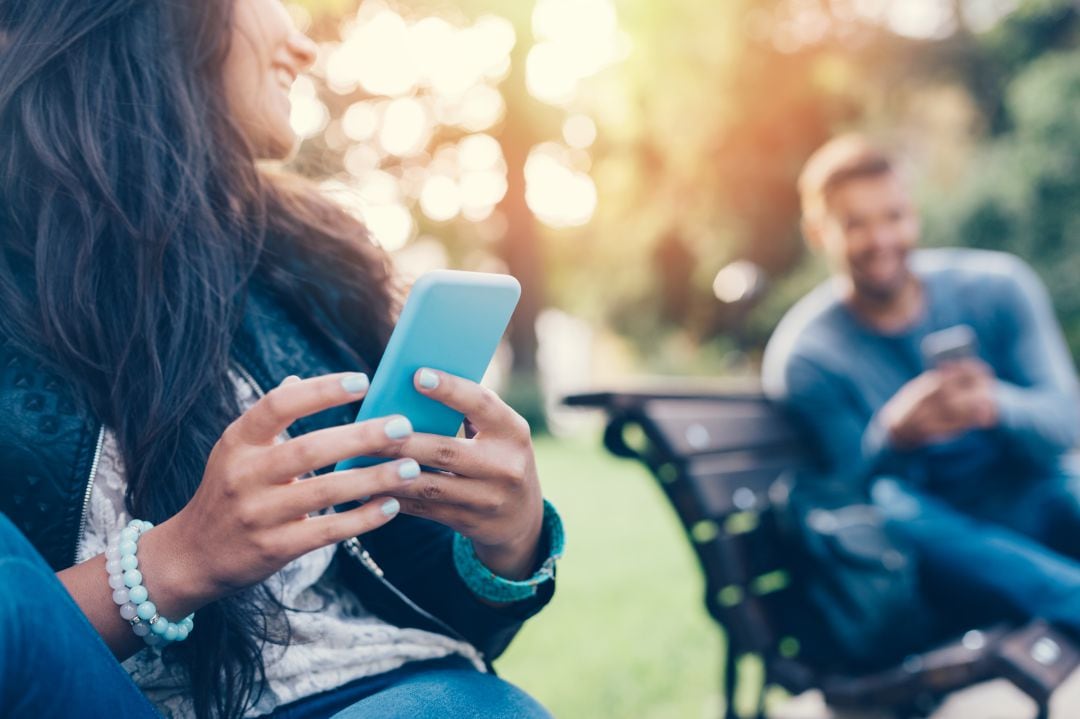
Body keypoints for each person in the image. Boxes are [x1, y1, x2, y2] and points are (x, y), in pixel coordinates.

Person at [0, 1, 563, 718]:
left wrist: (507, 541)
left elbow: (441, 610)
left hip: (384, 690)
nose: (304, 45)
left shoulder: (311, 265)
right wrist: (176, 561)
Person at [762, 134, 1080, 641]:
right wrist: (893, 434)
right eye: (855, 224)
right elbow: (851, 497)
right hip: (935, 558)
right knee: (894, 501)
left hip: (1031, 502)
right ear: (818, 232)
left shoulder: (999, 287)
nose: (880, 239)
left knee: (1068, 486)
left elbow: (1066, 425)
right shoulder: (809, 357)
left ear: (915, 215)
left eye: (893, 216)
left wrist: (994, 405)